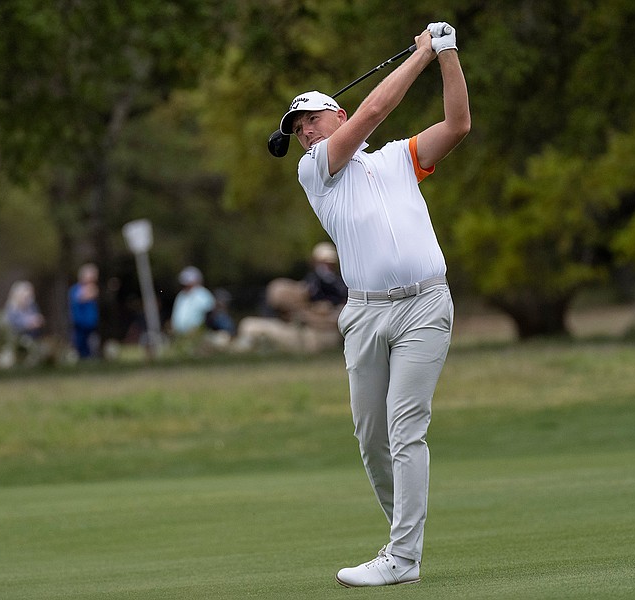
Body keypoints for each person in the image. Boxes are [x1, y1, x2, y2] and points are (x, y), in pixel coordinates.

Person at [278, 22, 470, 587]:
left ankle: (403, 558)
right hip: (364, 315)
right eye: (297, 130)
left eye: (311, 121)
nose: (305, 134)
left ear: (333, 115)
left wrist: (448, 56)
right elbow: (373, 114)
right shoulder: (317, 171)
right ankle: (401, 542)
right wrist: (419, 56)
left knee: (405, 426)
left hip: (424, 308)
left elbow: (458, 124)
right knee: (371, 436)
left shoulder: (399, 160)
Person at [233, 242, 346, 353]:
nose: (326, 267)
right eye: (324, 263)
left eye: (329, 263)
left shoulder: (337, 286)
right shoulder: (310, 283)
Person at [170, 266, 216, 336]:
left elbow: (210, 314)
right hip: (180, 335)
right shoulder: (181, 295)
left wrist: (201, 328)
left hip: (196, 334)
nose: (185, 286)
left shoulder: (203, 294)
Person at [69, 263, 100, 359]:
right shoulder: (76, 289)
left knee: (92, 344)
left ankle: (90, 358)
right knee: (81, 344)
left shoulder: (93, 288)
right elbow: (78, 299)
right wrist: (88, 294)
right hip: (80, 323)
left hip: (91, 323)